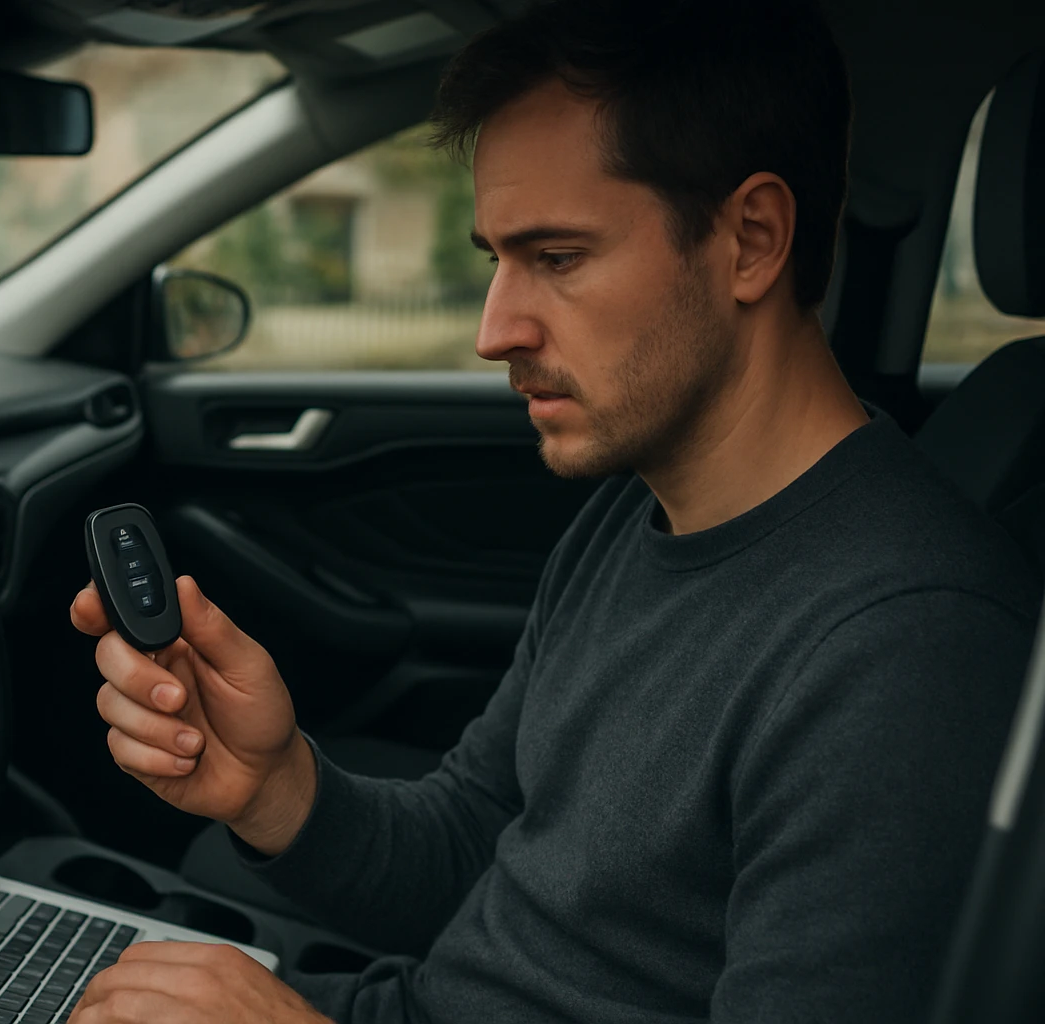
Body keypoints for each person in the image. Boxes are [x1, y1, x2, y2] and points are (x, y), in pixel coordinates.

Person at [65, 1, 1042, 1022]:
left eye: (559, 258)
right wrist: (269, 785)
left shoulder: (909, 651)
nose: (494, 330)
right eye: (498, 258)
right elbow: (478, 843)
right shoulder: (635, 513)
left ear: (752, 239)